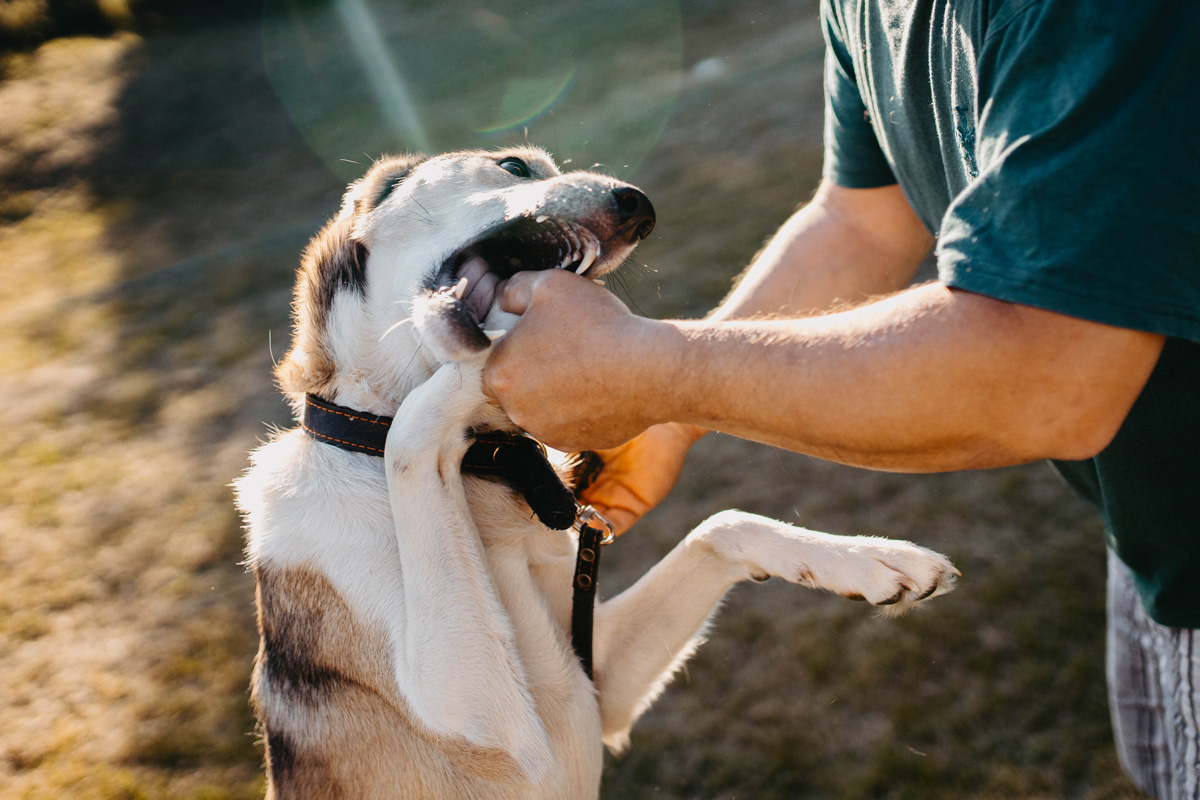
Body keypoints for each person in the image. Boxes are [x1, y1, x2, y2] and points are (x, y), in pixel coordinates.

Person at [482, 1, 1200, 796]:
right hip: (1151, 528)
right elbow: (860, 220)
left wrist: (655, 372)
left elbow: (1046, 370)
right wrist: (668, 417)